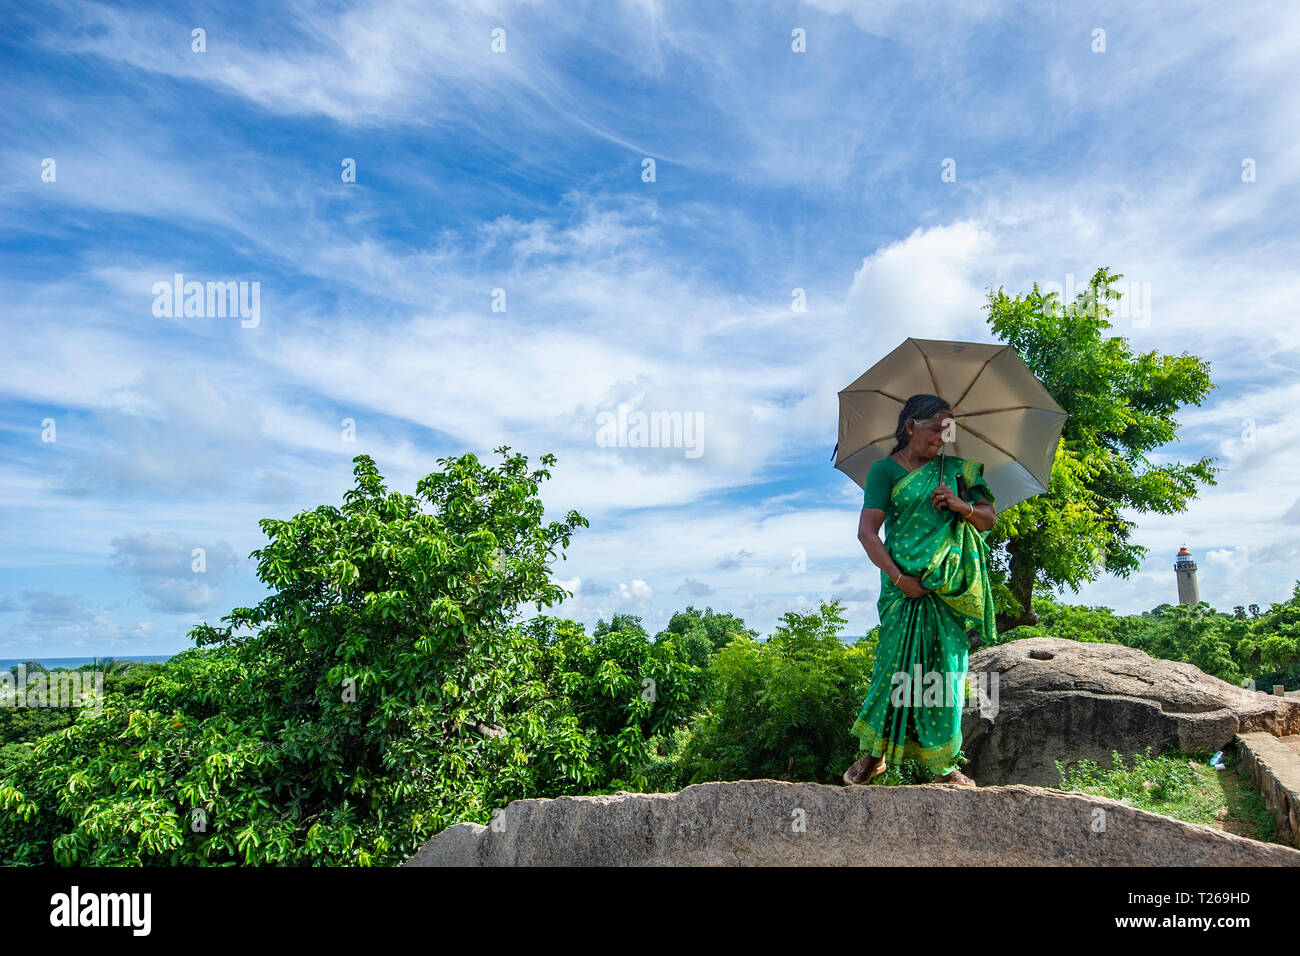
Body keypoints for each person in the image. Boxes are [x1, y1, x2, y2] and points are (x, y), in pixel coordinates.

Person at [842, 393, 998, 787]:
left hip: (946, 590)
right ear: (910, 426)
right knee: (892, 671)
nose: (941, 438)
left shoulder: (961, 471)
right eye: (934, 429)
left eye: (948, 431)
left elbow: (987, 520)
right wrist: (899, 579)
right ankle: (875, 756)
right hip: (901, 590)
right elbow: (867, 533)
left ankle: (943, 767)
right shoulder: (885, 472)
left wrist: (960, 505)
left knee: (944, 674)